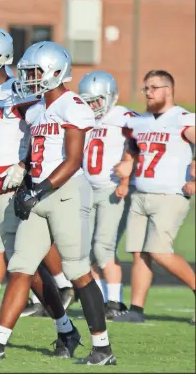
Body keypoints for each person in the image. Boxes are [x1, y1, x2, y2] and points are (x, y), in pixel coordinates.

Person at [0, 41, 115, 365]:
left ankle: (102, 347)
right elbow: (35, 153)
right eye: (27, 72)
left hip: (66, 193)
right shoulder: (35, 109)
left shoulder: (73, 105)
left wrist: (37, 189)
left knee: (76, 271)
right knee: (20, 268)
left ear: (57, 72)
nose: (28, 78)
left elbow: (72, 161)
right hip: (38, 193)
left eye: (34, 72)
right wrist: (25, 171)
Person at [113, 70, 195, 325]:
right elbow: (132, 151)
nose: (148, 92)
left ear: (168, 90)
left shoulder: (182, 118)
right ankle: (136, 309)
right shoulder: (142, 121)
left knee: (159, 251)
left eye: (153, 87)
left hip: (169, 194)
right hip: (141, 193)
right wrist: (125, 175)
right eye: (146, 88)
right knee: (139, 252)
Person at [78, 70, 137, 318]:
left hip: (112, 188)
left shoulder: (122, 116)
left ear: (110, 96)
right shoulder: (85, 118)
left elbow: (141, 142)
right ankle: (100, 300)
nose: (93, 106)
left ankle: (115, 302)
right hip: (87, 190)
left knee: (104, 246)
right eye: (88, 101)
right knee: (86, 250)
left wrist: (127, 172)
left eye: (97, 100)